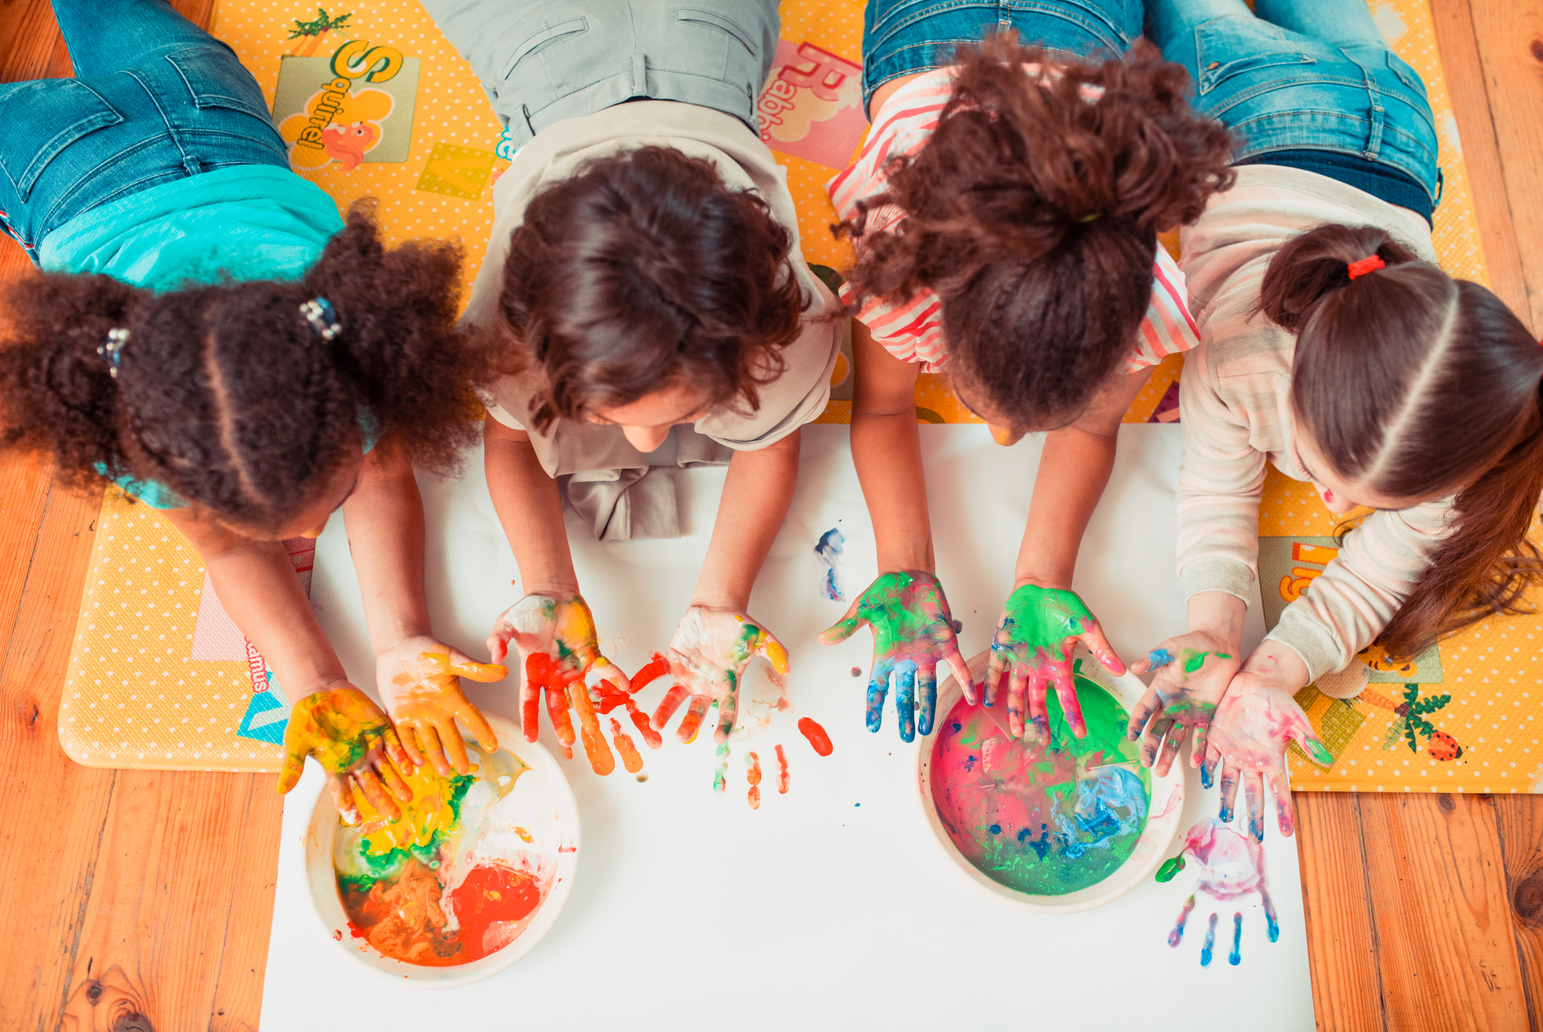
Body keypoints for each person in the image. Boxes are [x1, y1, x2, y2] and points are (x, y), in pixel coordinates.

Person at [0, 0, 505, 824]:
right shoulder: (139, 430)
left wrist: (383, 653)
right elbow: (237, 551)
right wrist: (320, 672)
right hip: (111, 144)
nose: (305, 542)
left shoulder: (342, 357)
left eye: (326, 503)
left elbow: (362, 492)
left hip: (190, 118)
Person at [1131, 0, 1543, 841]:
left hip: (1392, 113)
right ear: (1299, 380)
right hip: (1246, 108)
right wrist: (1213, 621)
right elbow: (1215, 488)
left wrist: (1274, 668)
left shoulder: (1457, 444)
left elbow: (1373, 578)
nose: (1325, 504)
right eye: (1323, 471)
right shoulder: (1238, 359)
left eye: (1360, 497)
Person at [416, 0, 842, 758]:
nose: (645, 443)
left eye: (686, 410)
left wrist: (720, 601)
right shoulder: (502, 336)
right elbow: (511, 444)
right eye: (616, 417)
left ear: (755, 349)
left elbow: (770, 444)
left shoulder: (794, 330)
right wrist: (549, 586)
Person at [822, 4, 1234, 743]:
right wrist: (904, 566)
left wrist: (1042, 578)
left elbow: (1094, 423)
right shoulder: (899, 254)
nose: (1005, 438)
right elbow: (883, 411)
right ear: (936, 307)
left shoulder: (1123, 292)